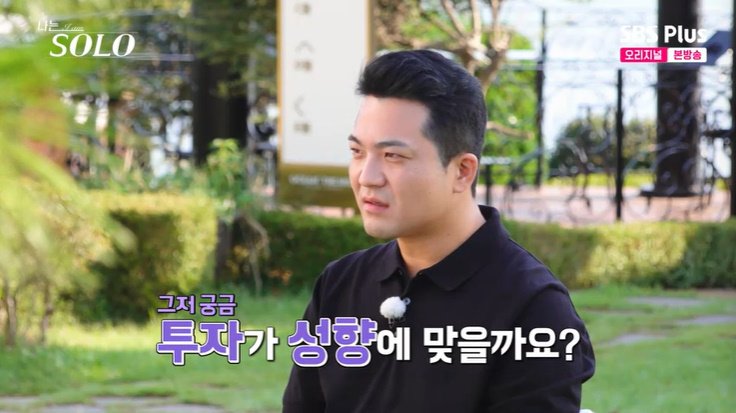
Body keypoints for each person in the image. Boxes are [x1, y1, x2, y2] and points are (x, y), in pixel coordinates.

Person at [282, 49, 595, 413]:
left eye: (393, 156)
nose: (367, 177)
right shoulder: (340, 284)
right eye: (357, 152)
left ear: (462, 171)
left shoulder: (534, 310)